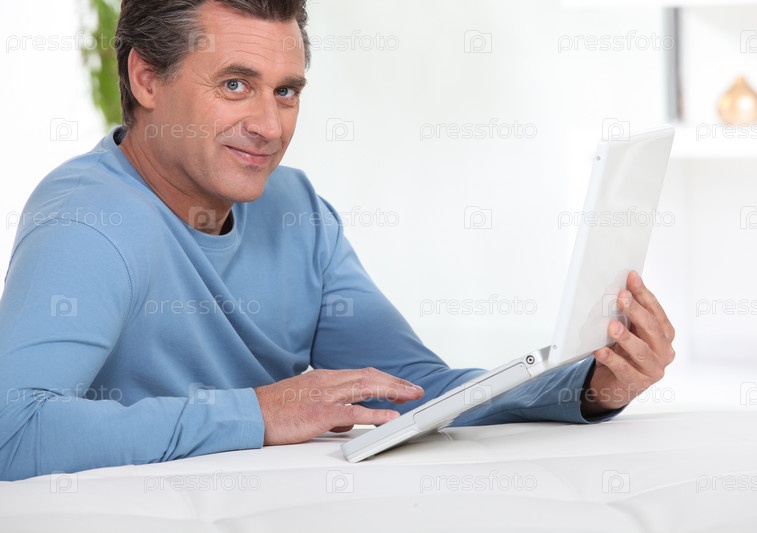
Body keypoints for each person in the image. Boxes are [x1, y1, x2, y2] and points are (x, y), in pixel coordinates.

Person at [0, 0, 675, 481]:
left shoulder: (295, 209)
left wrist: (587, 385)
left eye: (286, 91)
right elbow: (12, 432)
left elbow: (414, 390)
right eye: (235, 85)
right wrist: (260, 412)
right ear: (147, 78)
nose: (269, 126)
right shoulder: (89, 223)